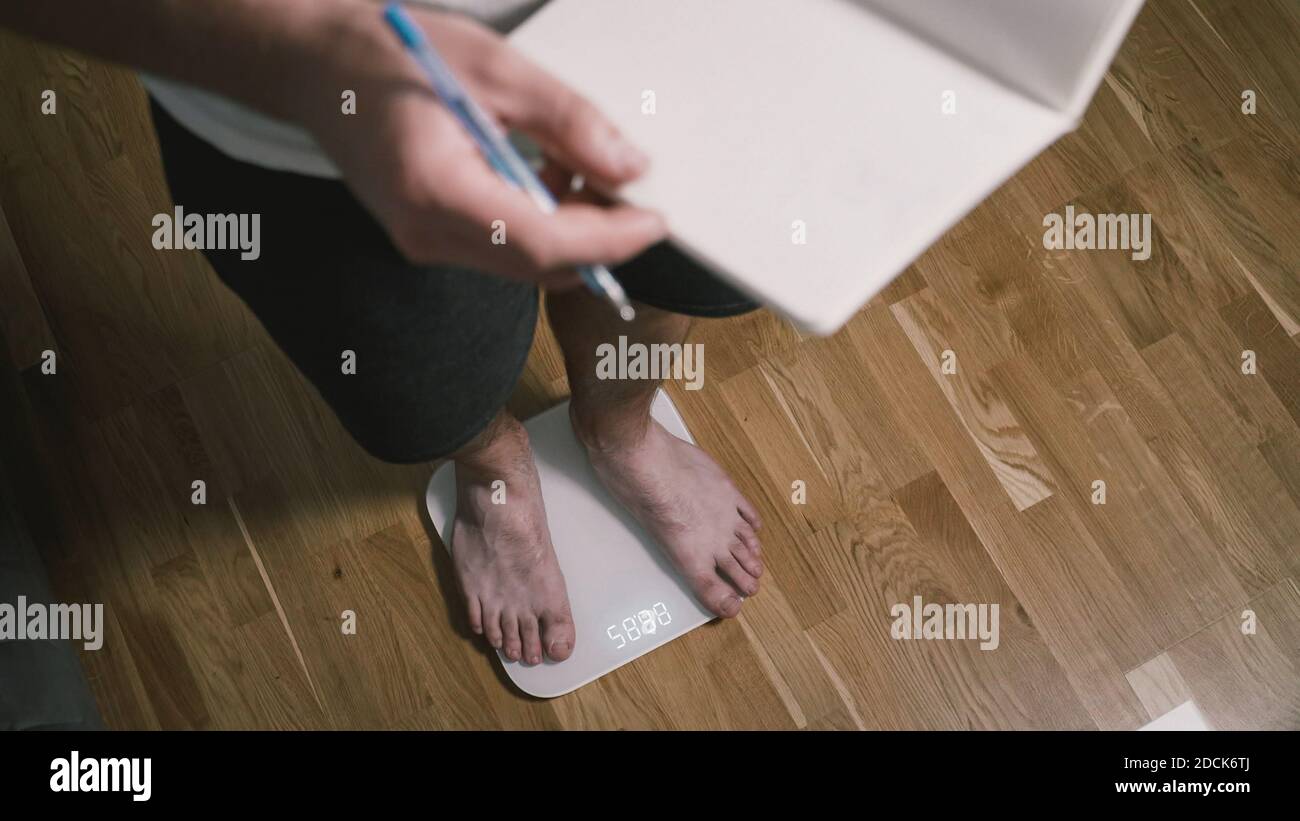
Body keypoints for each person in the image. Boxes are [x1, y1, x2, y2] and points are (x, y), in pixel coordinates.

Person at [3, 0, 764, 666]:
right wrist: (316, 47)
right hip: (306, 111)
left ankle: (622, 428)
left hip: (696, 28)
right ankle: (493, 470)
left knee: (668, 262)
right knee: (421, 373)